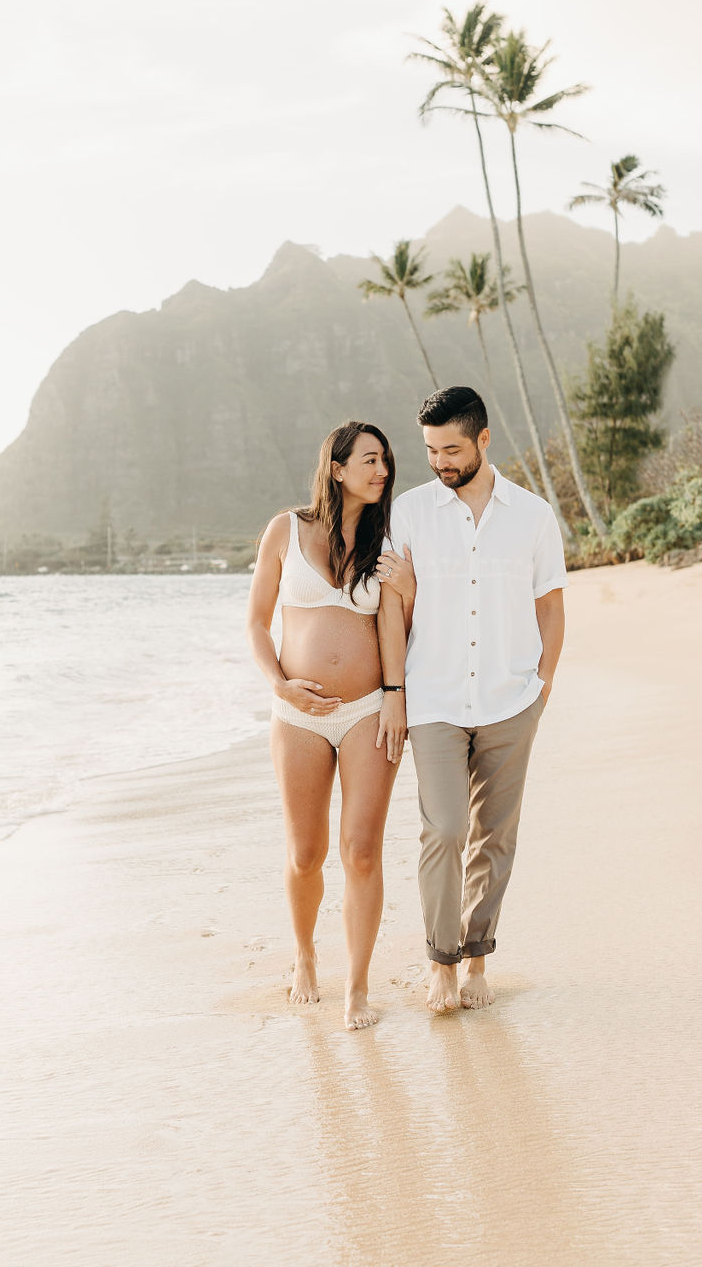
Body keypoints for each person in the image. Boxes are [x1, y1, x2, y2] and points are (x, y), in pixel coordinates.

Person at [377, 386, 566, 1013]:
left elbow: (551, 607)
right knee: (444, 830)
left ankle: (478, 958)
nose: (440, 462)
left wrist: (540, 689)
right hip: (432, 697)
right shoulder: (408, 512)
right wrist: (394, 693)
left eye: (451, 449)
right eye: (431, 450)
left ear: (484, 440)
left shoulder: (534, 516)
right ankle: (441, 964)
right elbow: (390, 611)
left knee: (495, 835)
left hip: (511, 699)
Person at [247, 421, 410, 1030]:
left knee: (362, 852)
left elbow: (394, 627)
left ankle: (358, 989)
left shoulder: (387, 542)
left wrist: (395, 697)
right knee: (306, 852)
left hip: (369, 711)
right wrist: (279, 684)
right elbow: (257, 626)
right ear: (336, 468)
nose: (382, 471)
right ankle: (306, 955)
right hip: (299, 715)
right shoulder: (285, 531)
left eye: (386, 462)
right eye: (370, 460)